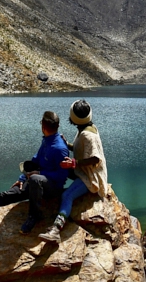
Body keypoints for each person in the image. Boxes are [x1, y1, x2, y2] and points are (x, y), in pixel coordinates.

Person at [38, 99, 107, 243]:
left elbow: (95, 158)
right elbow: (80, 149)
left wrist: (74, 163)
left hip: (90, 177)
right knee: (57, 168)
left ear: (73, 116)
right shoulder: (85, 127)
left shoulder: (88, 135)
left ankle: (56, 230)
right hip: (82, 170)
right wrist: (67, 144)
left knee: (67, 196)